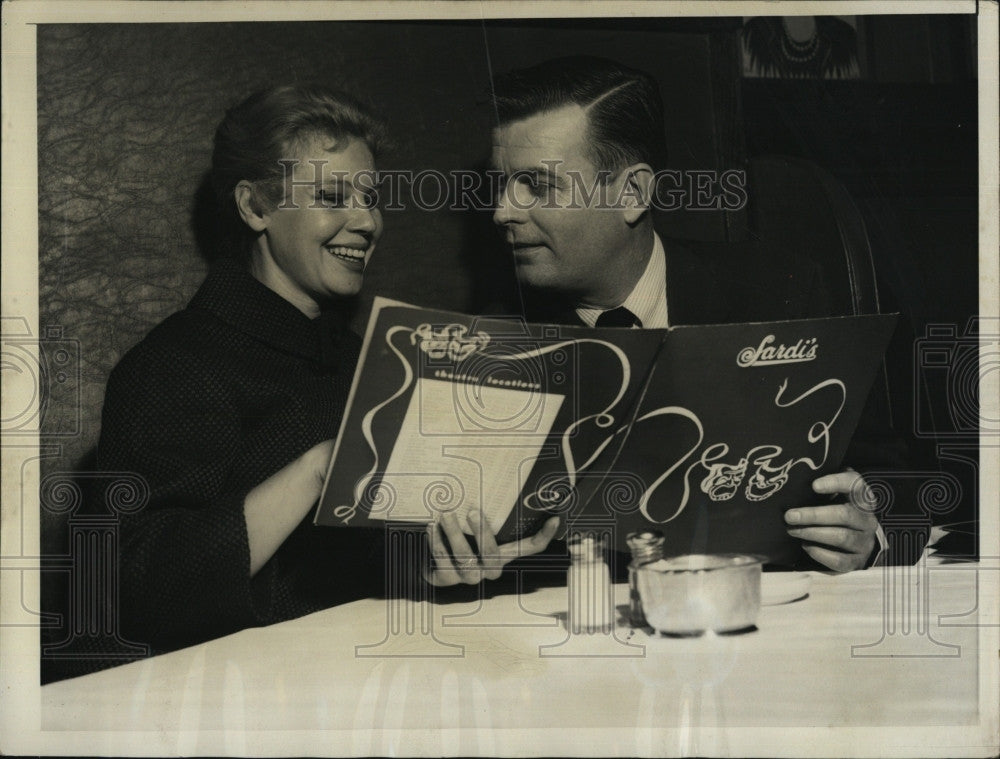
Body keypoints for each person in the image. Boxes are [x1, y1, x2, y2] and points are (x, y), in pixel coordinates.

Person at [95, 85, 555, 659]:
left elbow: (358, 571)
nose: (367, 223)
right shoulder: (171, 365)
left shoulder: (367, 358)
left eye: (370, 198)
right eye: (334, 196)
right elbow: (132, 591)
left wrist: (444, 566)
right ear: (255, 207)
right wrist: (319, 470)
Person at [486, 56, 892, 572]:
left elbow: (891, 473)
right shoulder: (496, 336)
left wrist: (871, 537)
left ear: (632, 193)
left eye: (536, 185)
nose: (502, 210)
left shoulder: (776, 291)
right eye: (499, 183)